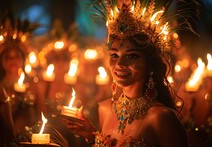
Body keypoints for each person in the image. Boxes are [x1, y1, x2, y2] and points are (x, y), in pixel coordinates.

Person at [63, 0, 199, 146]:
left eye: (132, 56)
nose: (120, 64)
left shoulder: (160, 117)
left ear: (150, 64)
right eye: (114, 55)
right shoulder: (104, 109)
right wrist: (92, 135)